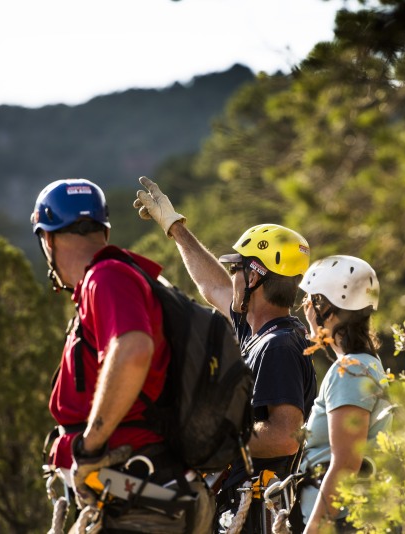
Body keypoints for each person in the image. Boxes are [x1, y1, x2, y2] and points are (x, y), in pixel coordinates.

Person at [133, 176, 317, 533]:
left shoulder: (278, 347)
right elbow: (212, 285)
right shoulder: (256, 327)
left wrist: (213, 438)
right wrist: (175, 228)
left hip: (255, 513)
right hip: (241, 505)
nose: (231, 274)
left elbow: (284, 435)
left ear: (255, 278)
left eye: (237, 267)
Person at [32, 178, 213, 533]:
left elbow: (132, 350)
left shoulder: (107, 277)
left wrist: (89, 446)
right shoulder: (115, 279)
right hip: (145, 495)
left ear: (48, 239)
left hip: (140, 497)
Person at [296, 255, 392, 534]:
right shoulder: (364, 364)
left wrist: (313, 529)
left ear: (327, 309)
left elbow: (346, 462)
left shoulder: (349, 370)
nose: (306, 309)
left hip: (341, 522)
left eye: (311, 301)